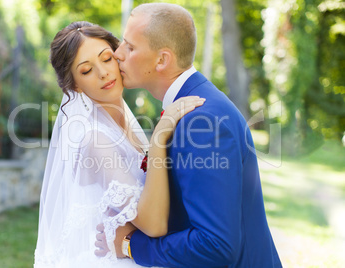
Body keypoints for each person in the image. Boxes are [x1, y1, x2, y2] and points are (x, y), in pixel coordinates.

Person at [95, 3, 282, 267]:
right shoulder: (188, 108)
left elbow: (215, 245)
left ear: (162, 60)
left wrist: (130, 245)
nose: (118, 54)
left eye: (130, 46)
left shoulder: (201, 122)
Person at [33, 21, 205, 267]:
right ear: (73, 85)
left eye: (106, 58)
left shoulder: (125, 122)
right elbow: (154, 225)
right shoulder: (95, 138)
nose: (103, 73)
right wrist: (159, 138)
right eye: (86, 70)